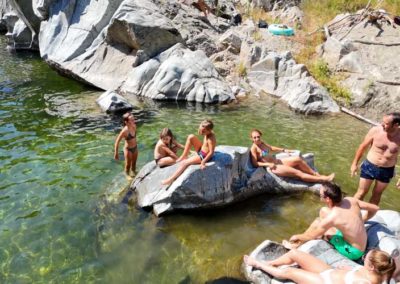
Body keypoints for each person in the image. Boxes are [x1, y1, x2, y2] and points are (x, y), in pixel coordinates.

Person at [285, 182, 379, 261]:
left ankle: (296, 245)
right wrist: (362, 220)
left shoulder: (334, 216)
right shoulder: (350, 200)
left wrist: (297, 236)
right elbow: (375, 208)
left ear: (328, 199)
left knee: (320, 228)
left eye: (320, 195)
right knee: (323, 211)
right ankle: (299, 243)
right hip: (359, 242)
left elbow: (312, 236)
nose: (319, 196)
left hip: (353, 251)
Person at [244, 248, 396, 284]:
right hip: (329, 271)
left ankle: (258, 264)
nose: (363, 259)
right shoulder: (374, 272)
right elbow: (356, 275)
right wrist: (349, 272)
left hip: (324, 282)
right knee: (295, 253)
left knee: (289, 271)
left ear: (371, 267)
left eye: (365, 258)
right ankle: (271, 262)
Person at [250, 129, 335, 183]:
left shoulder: (262, 143)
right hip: (274, 167)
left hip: (278, 162)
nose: (257, 139)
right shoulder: (254, 148)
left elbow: (271, 148)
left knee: (297, 159)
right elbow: (255, 163)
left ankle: (316, 175)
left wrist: (284, 150)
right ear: (251, 139)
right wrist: (268, 164)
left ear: (260, 136)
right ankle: (324, 179)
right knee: (299, 173)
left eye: (258, 137)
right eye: (255, 137)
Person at [351, 112, 400, 205]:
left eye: (386, 123)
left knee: (377, 195)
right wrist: (354, 164)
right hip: (369, 165)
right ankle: (351, 215)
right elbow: (362, 146)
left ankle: (367, 217)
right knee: (361, 193)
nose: (382, 124)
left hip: (387, 170)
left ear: (396, 125)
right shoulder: (375, 130)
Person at [161, 119, 216, 185]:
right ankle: (184, 156)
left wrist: (203, 162)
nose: (201, 133)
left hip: (203, 155)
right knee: (191, 137)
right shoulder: (206, 129)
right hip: (201, 149)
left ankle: (170, 180)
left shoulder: (211, 139)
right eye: (201, 129)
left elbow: (211, 152)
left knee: (184, 163)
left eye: (204, 132)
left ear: (209, 131)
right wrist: (201, 129)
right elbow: (203, 126)